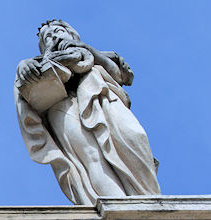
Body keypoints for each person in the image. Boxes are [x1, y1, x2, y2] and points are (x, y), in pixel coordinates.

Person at [15, 20, 160, 205]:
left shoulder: (99, 54)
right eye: (47, 38)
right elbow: (25, 89)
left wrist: (85, 49)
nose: (55, 37)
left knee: (132, 137)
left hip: (103, 97)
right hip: (62, 107)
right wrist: (23, 65)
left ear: (72, 34)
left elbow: (122, 75)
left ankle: (149, 201)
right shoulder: (38, 64)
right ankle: (116, 206)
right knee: (91, 158)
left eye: (58, 31)